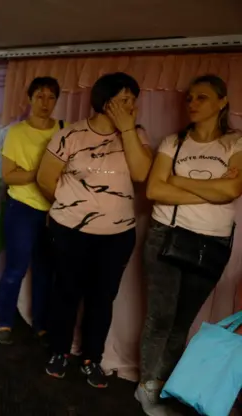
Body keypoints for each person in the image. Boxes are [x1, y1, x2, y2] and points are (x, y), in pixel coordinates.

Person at [37, 72, 153, 388]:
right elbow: (46, 180)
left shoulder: (138, 135)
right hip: (69, 231)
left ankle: (92, 358)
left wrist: (127, 129)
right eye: (125, 100)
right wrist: (71, 209)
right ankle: (59, 351)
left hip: (116, 236)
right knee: (66, 292)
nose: (132, 106)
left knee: (102, 298)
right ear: (105, 101)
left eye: (134, 100)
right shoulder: (70, 135)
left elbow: (142, 174)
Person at [136, 75, 242, 415]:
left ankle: (166, 382)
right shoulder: (173, 142)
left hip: (211, 243)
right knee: (160, 318)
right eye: (190, 98)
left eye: (203, 98)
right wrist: (211, 188)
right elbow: (154, 191)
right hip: (167, 234)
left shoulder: (236, 143)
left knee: (182, 321)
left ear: (222, 102)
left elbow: (231, 191)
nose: (193, 103)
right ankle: (147, 386)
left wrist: (176, 181)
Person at [0, 76, 65, 345]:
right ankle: (5, 322)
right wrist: (41, 173)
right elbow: (9, 176)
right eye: (40, 96)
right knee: (16, 268)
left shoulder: (64, 129)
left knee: (45, 270)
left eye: (51, 97)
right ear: (30, 99)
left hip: (55, 210)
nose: (45, 102)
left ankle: (40, 323)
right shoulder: (16, 132)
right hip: (22, 208)